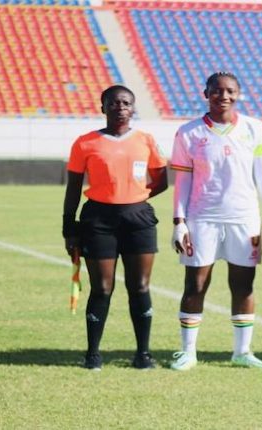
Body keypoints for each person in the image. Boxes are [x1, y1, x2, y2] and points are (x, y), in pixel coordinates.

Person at [169, 72, 262, 371]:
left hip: (244, 218)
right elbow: (182, 180)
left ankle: (242, 352)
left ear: (238, 94)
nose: (224, 96)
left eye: (230, 91)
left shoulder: (254, 128)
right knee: (196, 284)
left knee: (243, 285)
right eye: (217, 91)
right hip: (202, 218)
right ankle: (188, 352)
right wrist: (179, 221)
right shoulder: (188, 132)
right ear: (206, 94)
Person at [62, 85, 168, 370]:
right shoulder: (85, 143)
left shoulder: (145, 140)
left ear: (133, 108)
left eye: (126, 103)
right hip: (98, 220)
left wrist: (135, 197)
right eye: (113, 103)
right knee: (102, 288)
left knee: (140, 286)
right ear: (103, 107)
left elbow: (161, 180)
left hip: (138, 220)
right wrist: (69, 227)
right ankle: (93, 354)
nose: (120, 107)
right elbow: (73, 187)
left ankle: (143, 354)